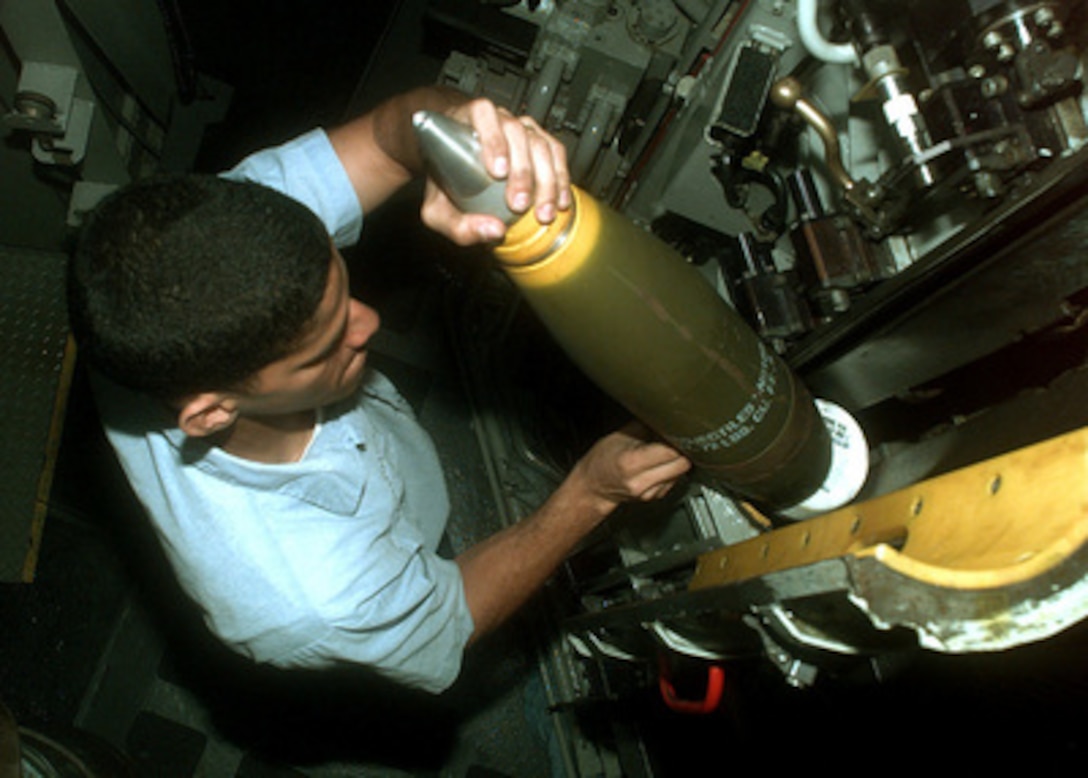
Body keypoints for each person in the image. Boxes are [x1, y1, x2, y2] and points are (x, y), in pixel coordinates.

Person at [67, 86, 691, 693]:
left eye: (345, 294)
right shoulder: (310, 595)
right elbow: (452, 615)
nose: (369, 324)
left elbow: (391, 138)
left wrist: (463, 134)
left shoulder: (223, 241)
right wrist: (589, 493)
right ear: (211, 413)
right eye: (323, 347)